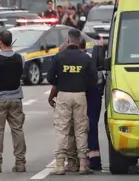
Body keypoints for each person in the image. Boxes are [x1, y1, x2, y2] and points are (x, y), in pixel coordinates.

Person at [46, 29, 97, 175]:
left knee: (62, 129)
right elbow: (93, 79)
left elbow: (50, 77)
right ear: (80, 40)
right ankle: (82, 164)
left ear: (67, 41)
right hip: (80, 94)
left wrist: (61, 82)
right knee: (81, 129)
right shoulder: (86, 58)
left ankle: (60, 164)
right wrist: (82, 85)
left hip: (63, 94)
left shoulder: (59, 57)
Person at [0, 30, 27, 173]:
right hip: (16, 98)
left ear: (0, 42)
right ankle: (20, 163)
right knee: (18, 130)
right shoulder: (20, 58)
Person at [81, 38, 104, 171]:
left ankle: (80, 160)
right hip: (95, 96)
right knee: (92, 127)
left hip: (83, 95)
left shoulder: (77, 59)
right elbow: (101, 80)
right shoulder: (92, 59)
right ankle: (94, 161)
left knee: (79, 129)